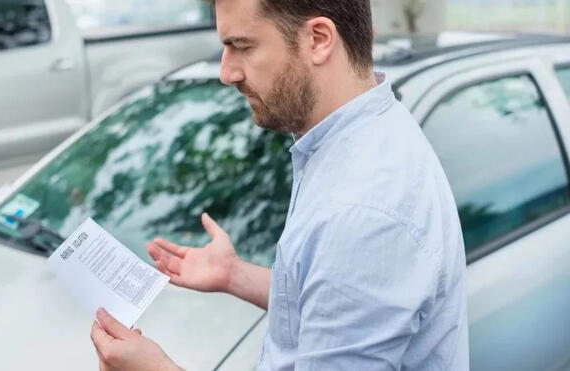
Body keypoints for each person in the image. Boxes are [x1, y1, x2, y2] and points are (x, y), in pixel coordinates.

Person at [89, 0, 470, 370]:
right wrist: (236, 275)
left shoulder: (360, 213)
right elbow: (331, 298)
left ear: (318, 39)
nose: (227, 73)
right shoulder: (362, 133)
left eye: (242, 47)